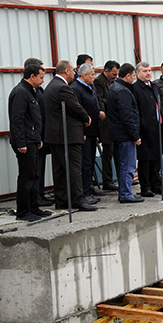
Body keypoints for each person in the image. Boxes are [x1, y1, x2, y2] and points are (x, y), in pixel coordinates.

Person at [44, 60, 97, 212]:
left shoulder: (51, 85)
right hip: (68, 135)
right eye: (73, 70)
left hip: (55, 136)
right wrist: (86, 119)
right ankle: (78, 199)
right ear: (66, 71)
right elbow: (75, 107)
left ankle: (62, 200)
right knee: (74, 168)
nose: (75, 73)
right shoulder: (62, 88)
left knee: (60, 169)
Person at [8, 64, 52, 222]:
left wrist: (38, 138)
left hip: (32, 140)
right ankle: (23, 211)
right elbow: (17, 120)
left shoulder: (31, 91)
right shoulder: (21, 92)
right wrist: (21, 143)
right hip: (25, 141)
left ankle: (34, 207)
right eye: (41, 77)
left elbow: (33, 118)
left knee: (34, 175)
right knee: (26, 177)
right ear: (31, 76)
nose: (43, 80)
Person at [107, 63, 144, 203]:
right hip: (125, 135)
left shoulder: (114, 87)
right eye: (134, 75)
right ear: (128, 75)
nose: (134, 78)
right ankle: (126, 193)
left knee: (123, 164)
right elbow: (127, 116)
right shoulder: (122, 91)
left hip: (118, 133)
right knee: (127, 165)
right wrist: (135, 136)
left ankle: (125, 192)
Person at [133, 62, 163, 197]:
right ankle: (145, 187)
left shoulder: (154, 86)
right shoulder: (136, 89)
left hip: (158, 126)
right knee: (145, 159)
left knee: (156, 158)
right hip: (145, 129)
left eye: (149, 70)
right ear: (138, 73)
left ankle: (156, 185)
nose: (148, 73)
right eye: (144, 71)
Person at [71, 63, 105, 202]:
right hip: (84, 133)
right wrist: (83, 131)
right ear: (84, 75)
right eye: (92, 75)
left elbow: (96, 104)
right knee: (84, 164)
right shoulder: (76, 89)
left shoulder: (90, 88)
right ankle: (84, 193)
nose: (94, 77)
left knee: (90, 162)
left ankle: (89, 187)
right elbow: (77, 112)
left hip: (93, 132)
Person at [23, 57, 53, 207]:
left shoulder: (38, 89)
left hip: (41, 134)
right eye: (40, 74)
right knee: (34, 169)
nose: (43, 78)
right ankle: (36, 198)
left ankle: (39, 194)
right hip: (35, 136)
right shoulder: (25, 92)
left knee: (39, 167)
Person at [95, 60, 121, 191]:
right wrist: (115, 100)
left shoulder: (113, 82)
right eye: (113, 74)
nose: (115, 77)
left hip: (114, 121)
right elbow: (99, 99)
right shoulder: (99, 82)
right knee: (108, 152)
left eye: (117, 75)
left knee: (117, 151)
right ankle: (107, 180)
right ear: (106, 71)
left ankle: (121, 178)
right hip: (106, 123)